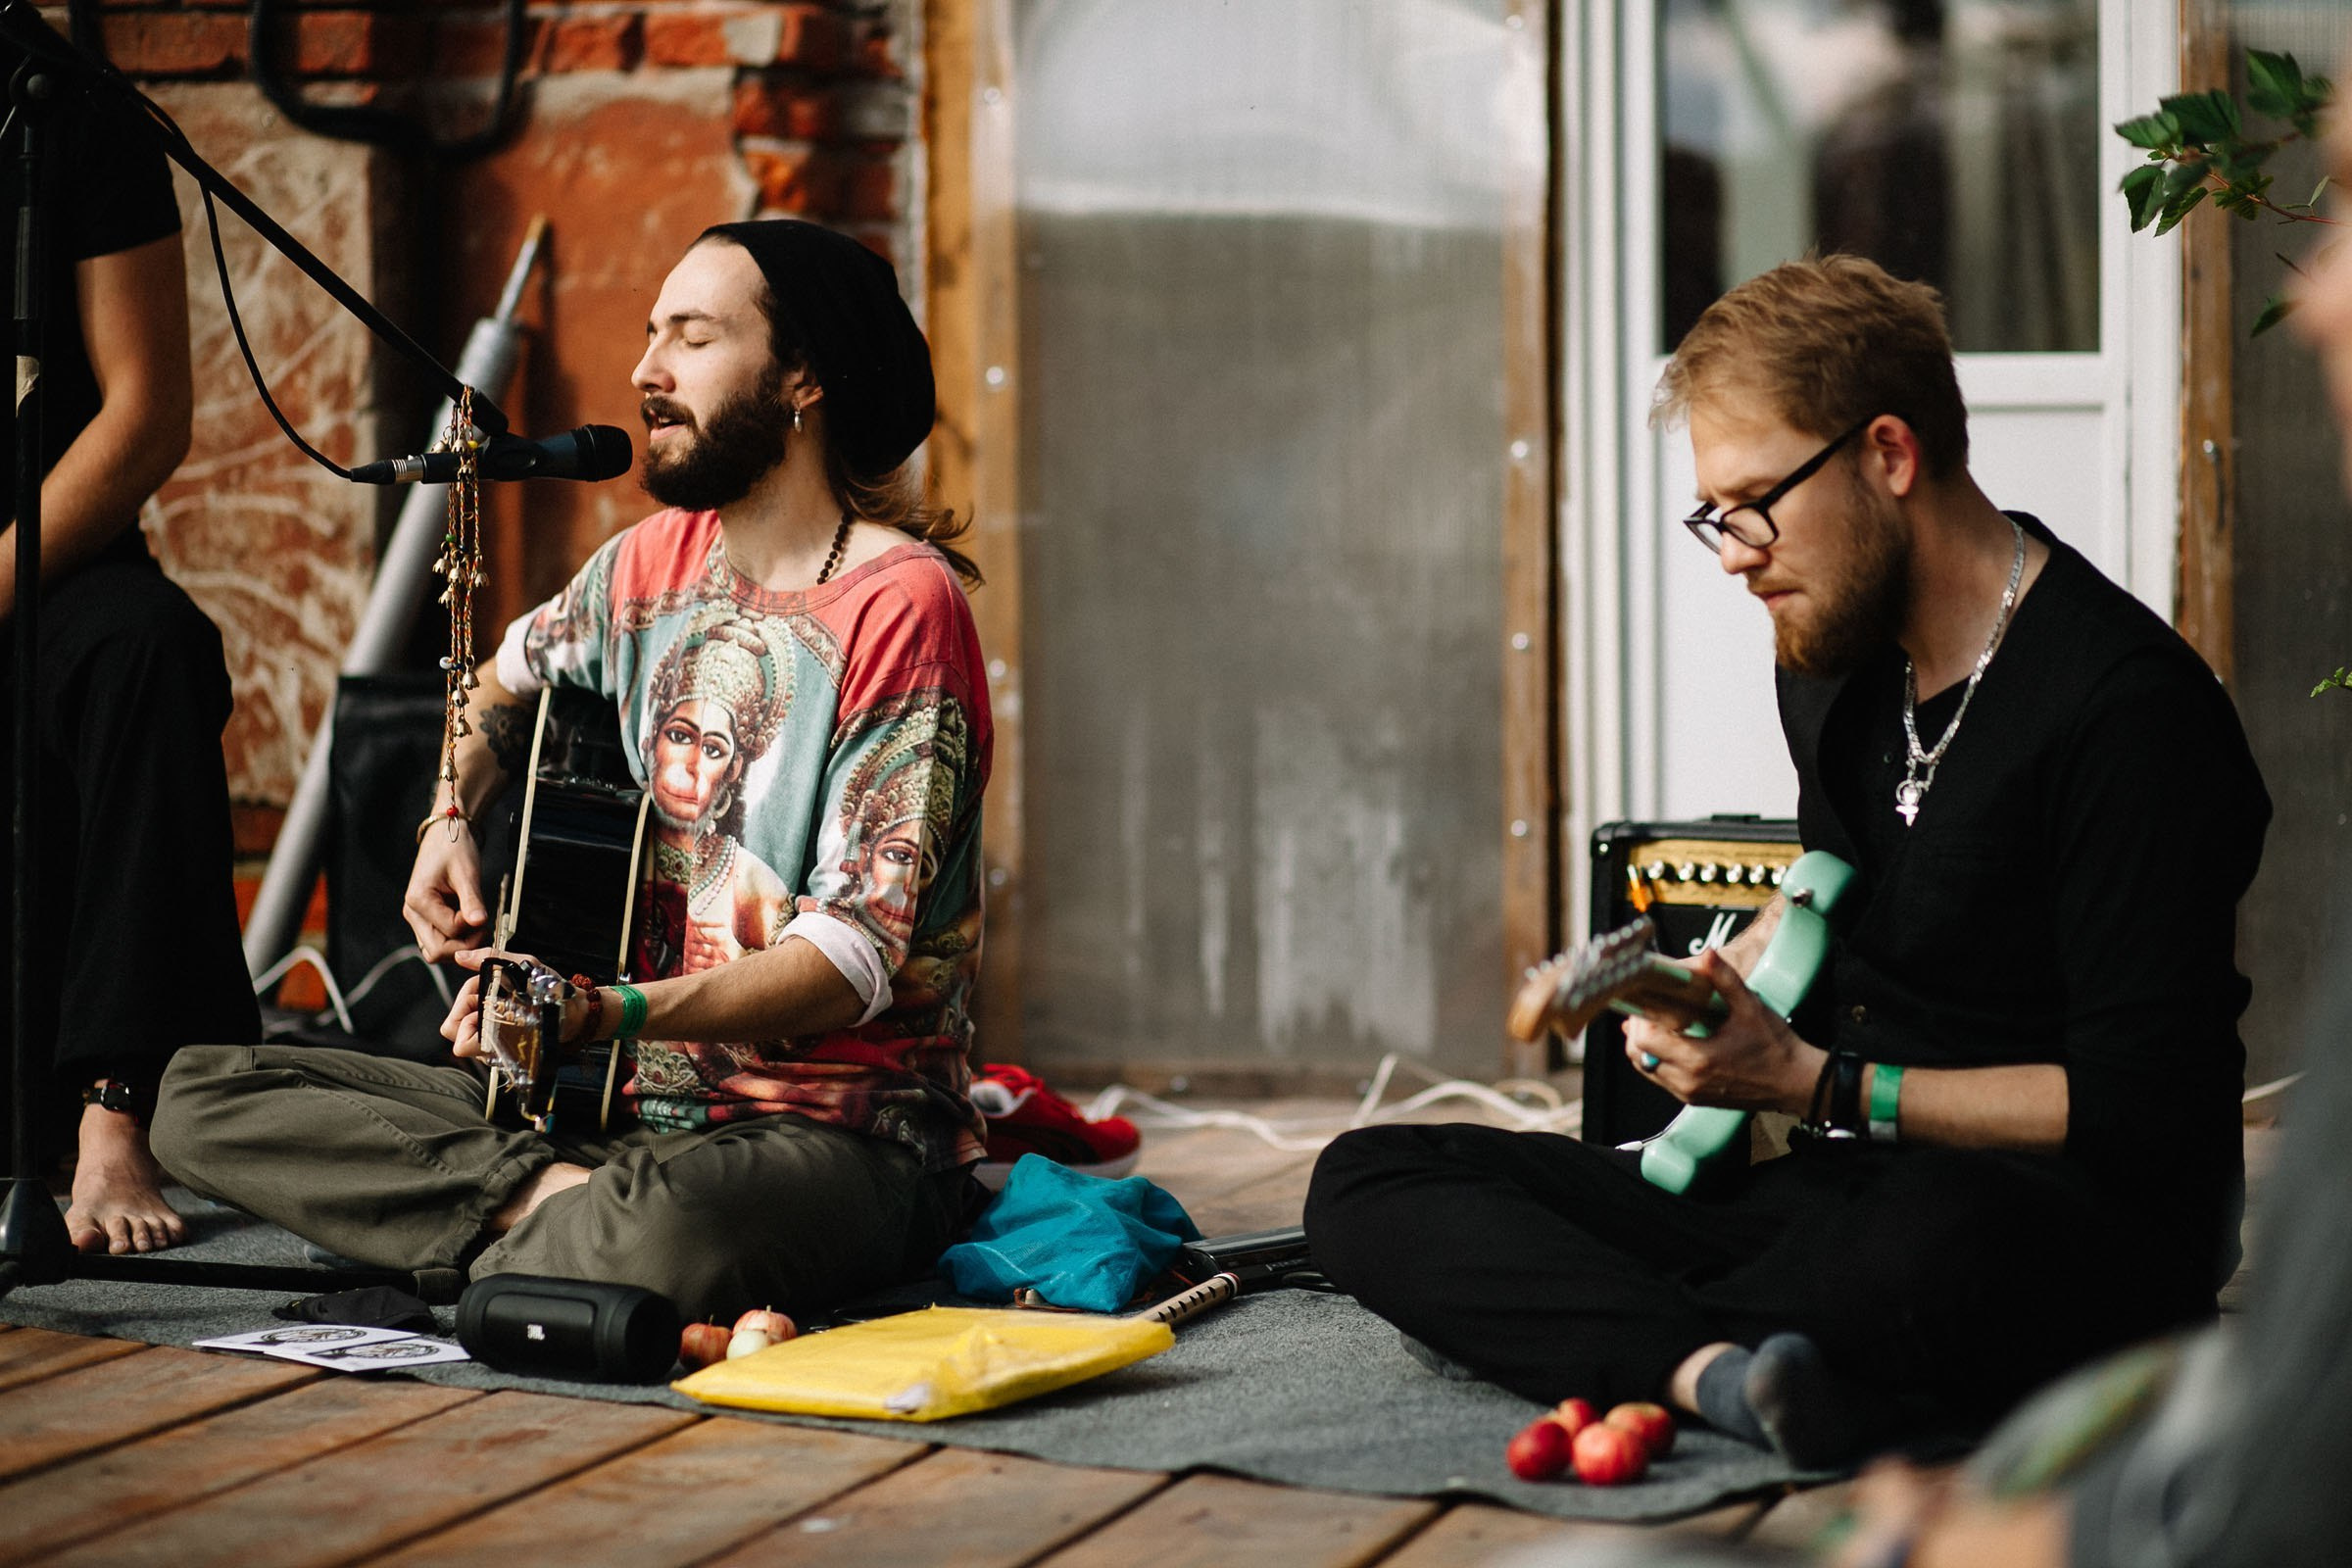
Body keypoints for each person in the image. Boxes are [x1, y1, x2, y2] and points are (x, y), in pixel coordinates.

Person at [1305, 254, 2270, 1468]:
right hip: (1839, 1192)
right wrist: (1729, 1009)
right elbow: (1842, 909)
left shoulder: (2128, 711)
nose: (1732, 553)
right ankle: (1720, 1374)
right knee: (1367, 1178)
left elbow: (2145, 1114)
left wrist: (1816, 1085)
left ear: (1888, 454)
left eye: (1754, 501)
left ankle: (1608, 1331)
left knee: (1920, 1253)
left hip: (2056, 1224)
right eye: (1713, 513)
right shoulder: (1831, 663)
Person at [150, 220, 994, 1322]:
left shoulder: (902, 604)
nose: (646, 370)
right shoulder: (647, 566)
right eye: (650, 334)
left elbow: (848, 960)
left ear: (804, 377)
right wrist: (449, 816)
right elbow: (499, 686)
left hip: (838, 1135)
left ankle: (518, 1229)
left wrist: (604, 1013)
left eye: (692, 337)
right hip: (605, 1114)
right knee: (198, 1097)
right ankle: (551, 1213)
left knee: (672, 1234)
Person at [0, 42, 259, 1255]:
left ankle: (119, 1111)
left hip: (45, 564)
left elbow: (145, 414)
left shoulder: (69, 110)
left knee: (148, 648)